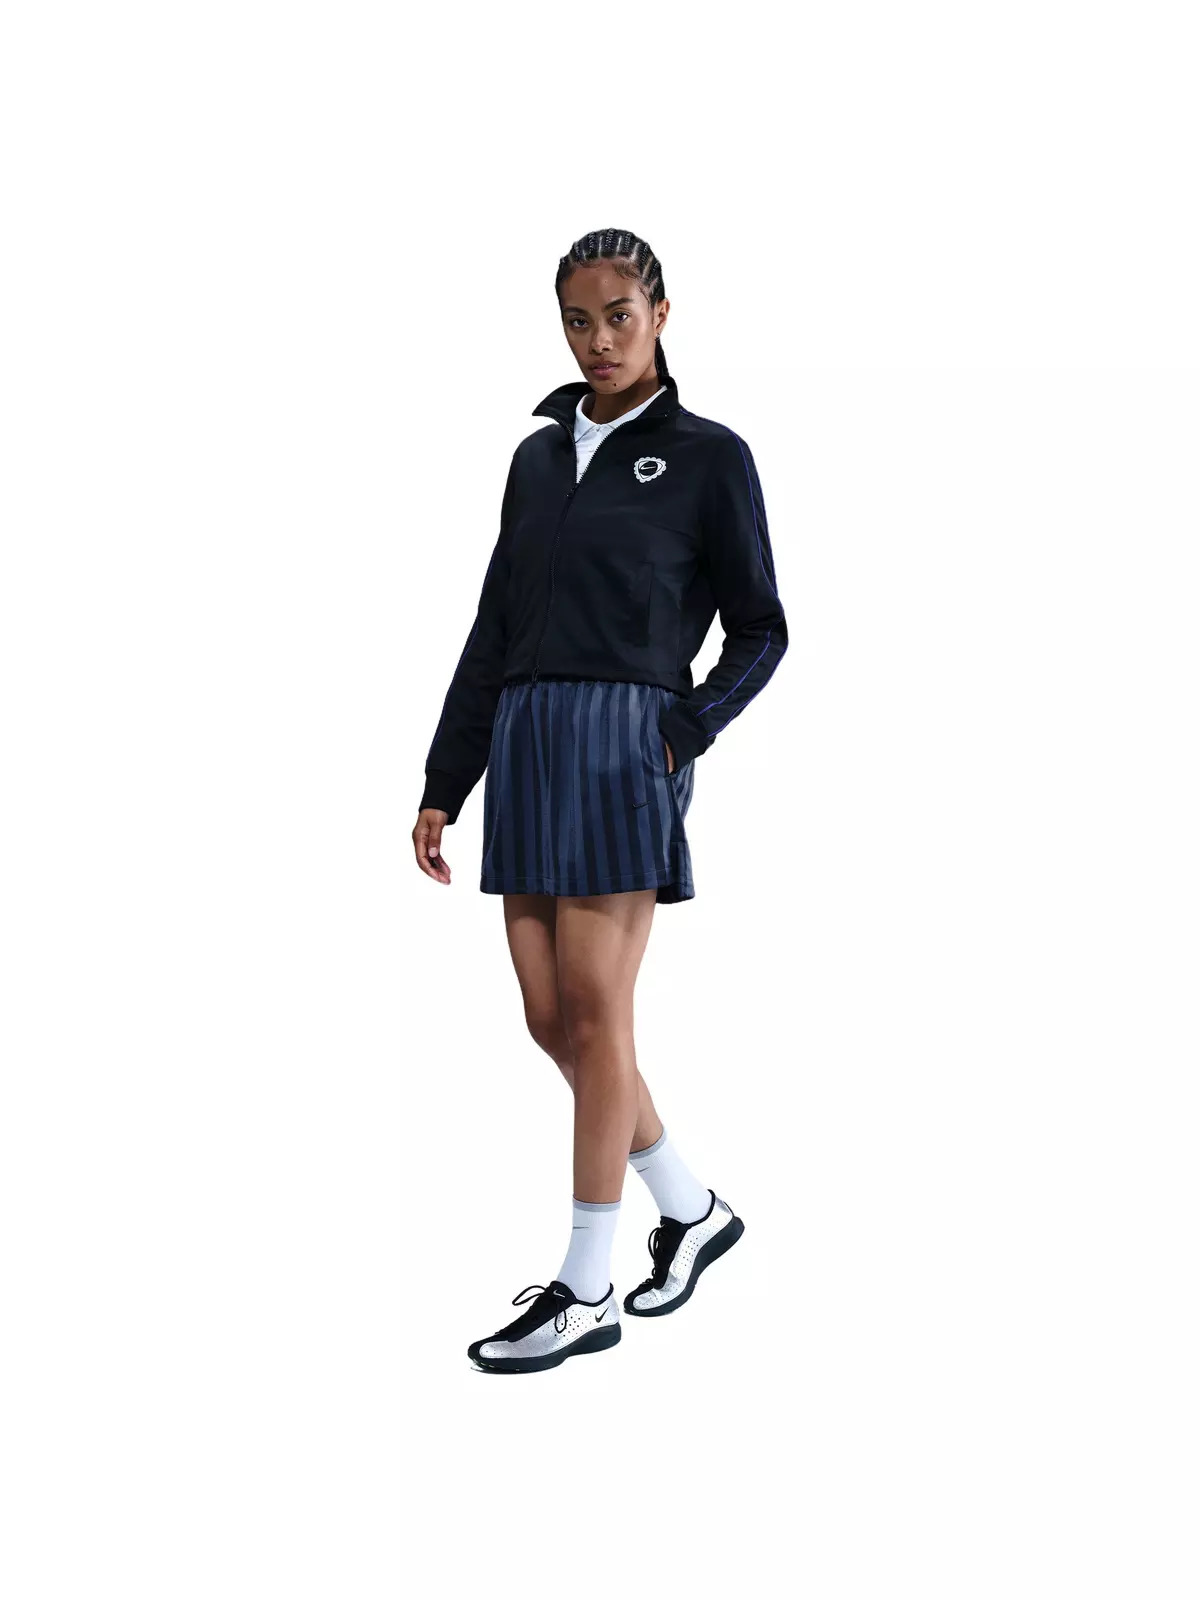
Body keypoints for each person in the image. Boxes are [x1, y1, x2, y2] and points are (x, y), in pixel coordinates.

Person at [413, 227, 788, 1373]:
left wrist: (682, 730)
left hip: (625, 743)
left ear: (660, 314)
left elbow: (762, 627)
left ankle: (586, 1287)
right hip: (525, 737)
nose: (599, 340)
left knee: (596, 1011)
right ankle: (692, 1208)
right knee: (551, 1019)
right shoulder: (536, 459)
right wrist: (444, 780)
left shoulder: (710, 456)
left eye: (619, 315)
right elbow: (494, 626)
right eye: (578, 321)